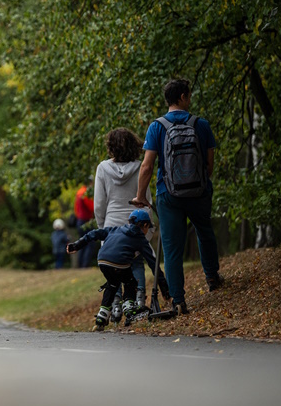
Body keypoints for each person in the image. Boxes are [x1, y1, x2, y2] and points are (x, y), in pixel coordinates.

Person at [132, 79, 224, 315]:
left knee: (172, 247)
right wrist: (201, 184)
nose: (190, 98)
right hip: (199, 192)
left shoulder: (157, 127)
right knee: (205, 232)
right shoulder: (201, 125)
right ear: (183, 97)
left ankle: (178, 300)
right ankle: (212, 277)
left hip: (168, 194)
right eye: (189, 95)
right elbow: (209, 163)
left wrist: (140, 195)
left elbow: (147, 166)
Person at [94, 128, 167, 321]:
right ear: (134, 145)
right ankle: (138, 300)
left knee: (116, 265)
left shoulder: (102, 169)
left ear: (110, 147)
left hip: (111, 224)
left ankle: (116, 305)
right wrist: (148, 226)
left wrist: (103, 228)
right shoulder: (140, 168)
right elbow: (146, 199)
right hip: (136, 224)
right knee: (136, 262)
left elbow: (99, 203)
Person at [66, 209, 169, 331]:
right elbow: (153, 264)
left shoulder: (116, 229)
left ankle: (102, 316)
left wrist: (77, 245)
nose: (147, 231)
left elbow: (94, 234)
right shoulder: (140, 238)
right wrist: (164, 288)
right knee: (131, 282)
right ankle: (130, 310)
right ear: (145, 225)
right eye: (148, 228)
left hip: (102, 260)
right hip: (119, 262)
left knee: (112, 284)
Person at [74, 177, 95, 268]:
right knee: (90, 243)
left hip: (79, 220)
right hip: (86, 221)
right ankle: (85, 265)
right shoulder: (86, 193)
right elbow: (92, 207)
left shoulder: (79, 192)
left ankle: (80, 265)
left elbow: (76, 208)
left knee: (82, 243)